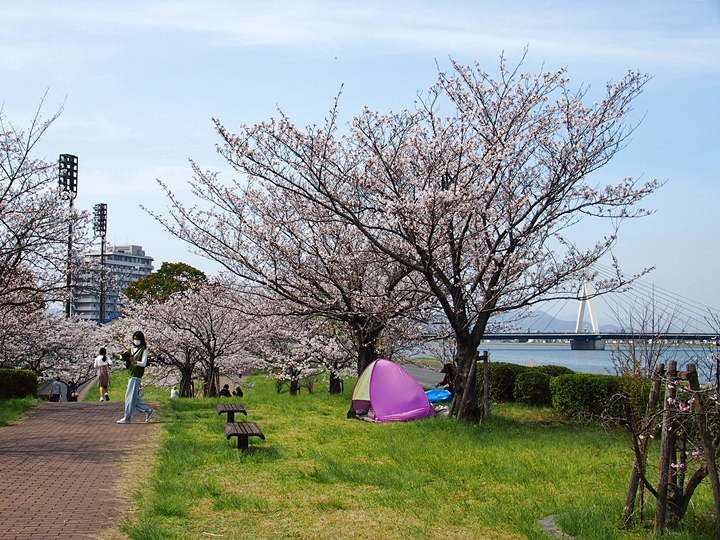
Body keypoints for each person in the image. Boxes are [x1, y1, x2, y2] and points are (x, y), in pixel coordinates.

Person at [117, 331, 155, 424]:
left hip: (136, 376)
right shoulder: (131, 349)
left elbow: (144, 363)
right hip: (131, 374)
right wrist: (125, 354)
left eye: (137, 339)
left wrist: (134, 361)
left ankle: (127, 417)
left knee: (129, 396)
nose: (136, 341)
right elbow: (122, 358)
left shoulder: (144, 350)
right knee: (133, 397)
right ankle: (148, 410)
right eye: (134, 339)